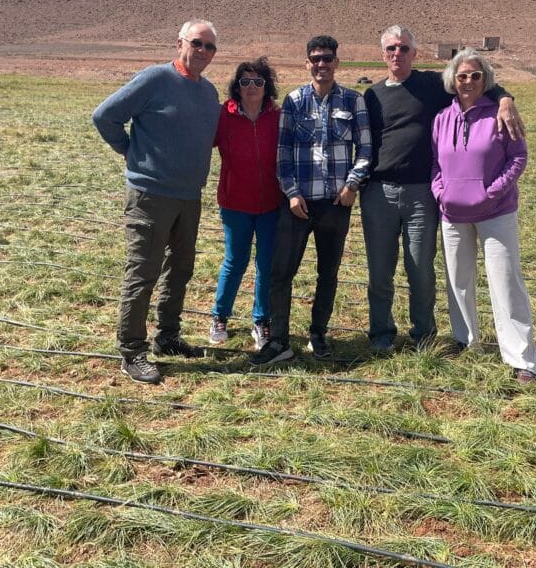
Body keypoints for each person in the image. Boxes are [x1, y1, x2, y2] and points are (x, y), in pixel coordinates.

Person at [361, 26, 525, 354]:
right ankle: (381, 334)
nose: (397, 54)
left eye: (404, 48)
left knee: (420, 267)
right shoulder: (372, 95)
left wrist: (505, 97)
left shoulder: (430, 85)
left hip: (421, 192)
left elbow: (472, 80)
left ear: (414, 53)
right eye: (391, 48)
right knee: (379, 270)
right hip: (378, 191)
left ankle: (423, 333)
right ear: (383, 54)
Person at [92, 19, 221, 384]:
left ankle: (167, 336)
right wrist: (131, 152)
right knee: (143, 272)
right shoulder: (155, 79)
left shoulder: (208, 93)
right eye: (197, 43)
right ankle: (132, 350)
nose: (203, 52)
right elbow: (104, 117)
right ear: (179, 43)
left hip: (188, 197)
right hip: (150, 195)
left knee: (179, 270)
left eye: (210, 47)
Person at [251, 35, 372, 365]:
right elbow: (283, 154)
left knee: (327, 273)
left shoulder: (352, 101)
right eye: (315, 58)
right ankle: (279, 340)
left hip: (336, 203)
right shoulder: (294, 101)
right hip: (298, 204)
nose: (322, 64)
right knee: (281, 273)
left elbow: (365, 149)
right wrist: (291, 193)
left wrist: (352, 186)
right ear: (307, 63)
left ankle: (318, 333)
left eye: (327, 58)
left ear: (337, 62)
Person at [431, 49, 536, 384]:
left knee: (505, 281)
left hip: (496, 213)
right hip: (453, 214)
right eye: (462, 75)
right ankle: (467, 342)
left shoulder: (500, 115)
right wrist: (441, 193)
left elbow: (518, 158)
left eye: (476, 76)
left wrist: (492, 192)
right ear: (452, 80)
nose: (468, 81)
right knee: (458, 281)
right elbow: (435, 164)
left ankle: (521, 358)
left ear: (486, 80)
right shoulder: (441, 119)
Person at [210, 57, 282, 350]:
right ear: (236, 87)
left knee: (266, 264)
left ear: (267, 88)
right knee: (235, 261)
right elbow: (199, 142)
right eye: (245, 81)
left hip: (271, 204)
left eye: (258, 81)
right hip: (235, 203)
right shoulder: (222, 117)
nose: (252, 87)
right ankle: (219, 316)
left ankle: (261, 320)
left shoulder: (278, 117)